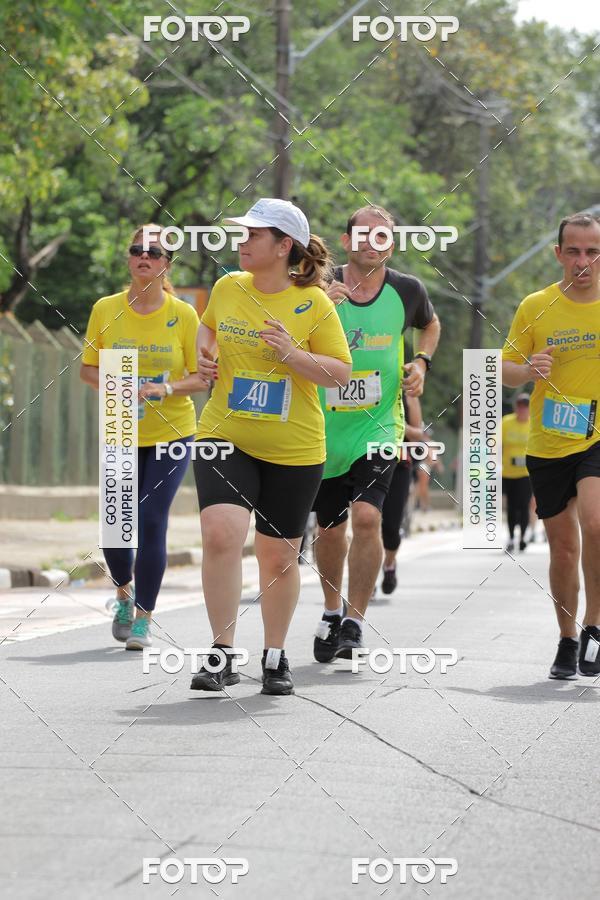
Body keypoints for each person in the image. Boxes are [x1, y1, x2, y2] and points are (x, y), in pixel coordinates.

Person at [189, 198, 352, 696]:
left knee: (278, 557)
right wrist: (205, 354)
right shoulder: (228, 287)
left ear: (284, 246)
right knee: (221, 533)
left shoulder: (315, 304)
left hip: (295, 449)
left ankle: (275, 654)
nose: (242, 242)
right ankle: (220, 654)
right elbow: (208, 326)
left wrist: (292, 354)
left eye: (254, 235)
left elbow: (340, 375)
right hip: (226, 433)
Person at [312, 205, 440, 662]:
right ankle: (330, 610)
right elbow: (284, 337)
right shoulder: (316, 284)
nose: (372, 243)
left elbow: (430, 324)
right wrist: (322, 304)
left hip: (379, 427)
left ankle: (353, 620)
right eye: (363, 235)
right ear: (347, 241)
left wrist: (421, 362)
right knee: (329, 528)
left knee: (368, 518)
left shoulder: (407, 290)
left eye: (382, 236)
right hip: (323, 429)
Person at [81, 225, 200, 650]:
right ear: (129, 259)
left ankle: (144, 619)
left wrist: (163, 388)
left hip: (172, 430)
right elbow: (87, 369)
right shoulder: (105, 308)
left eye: (154, 252)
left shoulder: (183, 314)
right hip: (121, 425)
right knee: (117, 526)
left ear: (167, 264)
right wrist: (119, 382)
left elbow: (201, 377)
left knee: (150, 520)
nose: (144, 257)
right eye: (137, 250)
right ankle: (122, 594)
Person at [502, 211, 600, 679]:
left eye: (593, 252)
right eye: (575, 251)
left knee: (596, 523)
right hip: (549, 441)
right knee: (563, 549)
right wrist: (527, 370)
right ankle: (566, 637)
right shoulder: (535, 305)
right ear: (559, 254)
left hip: (597, 438)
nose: (584, 261)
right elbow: (502, 370)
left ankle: (595, 627)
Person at [380, 393, 425, 595]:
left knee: (391, 528)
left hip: (399, 464)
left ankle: (389, 563)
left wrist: (394, 424)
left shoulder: (407, 394)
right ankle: (366, 578)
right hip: (366, 459)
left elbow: (418, 434)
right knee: (366, 523)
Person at [501, 393, 532, 552]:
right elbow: (495, 442)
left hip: (527, 473)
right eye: (519, 406)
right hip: (509, 472)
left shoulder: (533, 423)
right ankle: (512, 536)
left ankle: (523, 537)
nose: (522, 410)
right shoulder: (506, 422)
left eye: (525, 407)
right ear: (516, 407)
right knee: (512, 507)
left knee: (524, 506)